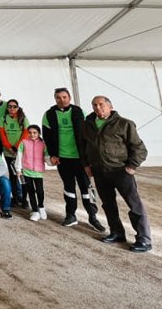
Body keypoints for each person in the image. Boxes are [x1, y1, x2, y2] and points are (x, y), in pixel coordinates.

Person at [83, 96, 151, 253]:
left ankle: (144, 239)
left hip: (120, 171)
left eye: (101, 104)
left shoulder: (124, 124)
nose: (98, 107)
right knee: (108, 204)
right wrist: (86, 164)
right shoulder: (88, 125)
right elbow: (83, 145)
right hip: (99, 171)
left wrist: (131, 167)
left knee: (134, 205)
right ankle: (117, 233)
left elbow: (139, 148)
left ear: (110, 106)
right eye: (95, 105)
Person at [42, 87, 104, 231]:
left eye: (64, 97)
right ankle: (71, 215)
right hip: (62, 158)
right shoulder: (49, 114)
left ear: (69, 98)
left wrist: (88, 157)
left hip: (80, 158)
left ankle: (93, 216)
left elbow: (86, 134)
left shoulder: (78, 111)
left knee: (87, 187)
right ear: (55, 99)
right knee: (68, 187)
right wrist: (52, 154)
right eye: (58, 97)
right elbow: (47, 136)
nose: (61, 100)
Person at [15, 125, 50, 222]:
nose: (32, 134)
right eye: (30, 132)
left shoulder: (43, 144)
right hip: (26, 171)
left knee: (40, 191)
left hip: (38, 171)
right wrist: (18, 169)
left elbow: (47, 156)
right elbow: (19, 155)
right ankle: (35, 211)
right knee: (30, 191)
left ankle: (41, 207)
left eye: (34, 132)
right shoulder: (24, 143)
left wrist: (52, 162)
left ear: (39, 133)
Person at [0, 99, 29, 208]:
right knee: (12, 176)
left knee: (22, 176)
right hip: (8, 152)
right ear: (7, 108)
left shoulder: (23, 119)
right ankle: (15, 198)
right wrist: (9, 147)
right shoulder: (3, 119)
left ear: (18, 107)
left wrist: (16, 147)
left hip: (20, 153)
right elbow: (2, 135)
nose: (12, 109)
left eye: (14, 106)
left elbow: (26, 134)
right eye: (10, 106)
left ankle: (24, 199)